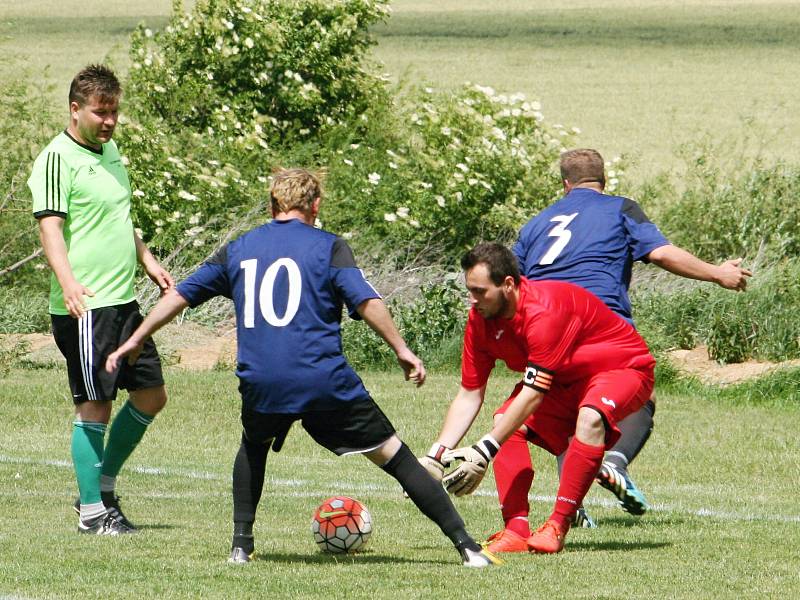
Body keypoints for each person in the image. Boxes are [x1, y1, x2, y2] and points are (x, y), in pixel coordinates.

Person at [105, 168, 500, 567]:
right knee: (396, 457)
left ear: (273, 204)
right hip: (321, 379)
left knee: (253, 445)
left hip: (263, 380)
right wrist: (401, 348)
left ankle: (241, 545)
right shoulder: (329, 247)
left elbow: (181, 295)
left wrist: (138, 337)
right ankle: (467, 547)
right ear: (315, 206)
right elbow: (366, 301)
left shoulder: (240, 247)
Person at [470, 148, 752, 552]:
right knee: (631, 396)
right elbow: (661, 253)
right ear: (603, 181)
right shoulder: (620, 208)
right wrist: (718, 273)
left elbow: (514, 284)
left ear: (564, 185)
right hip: (600, 323)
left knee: (545, 404)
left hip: (544, 322)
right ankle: (608, 465)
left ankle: (528, 519)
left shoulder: (536, 224)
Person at [420, 242, 656, 554]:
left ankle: (558, 526)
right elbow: (469, 394)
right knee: (505, 421)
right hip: (565, 379)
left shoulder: (544, 312)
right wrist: (436, 456)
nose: (472, 300)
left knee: (590, 418)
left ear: (507, 285)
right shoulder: (480, 319)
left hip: (621, 367)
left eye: (480, 291)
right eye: (470, 290)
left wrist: (483, 451)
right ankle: (516, 531)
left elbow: (533, 393)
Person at [29, 64, 173, 535]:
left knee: (152, 395)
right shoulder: (56, 159)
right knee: (95, 405)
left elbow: (118, 215)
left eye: (114, 112)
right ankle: (92, 514)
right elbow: (50, 226)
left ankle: (101, 487)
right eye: (100, 112)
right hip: (87, 306)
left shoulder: (110, 150)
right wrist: (68, 282)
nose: (109, 121)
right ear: (75, 109)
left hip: (124, 301)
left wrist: (147, 259)